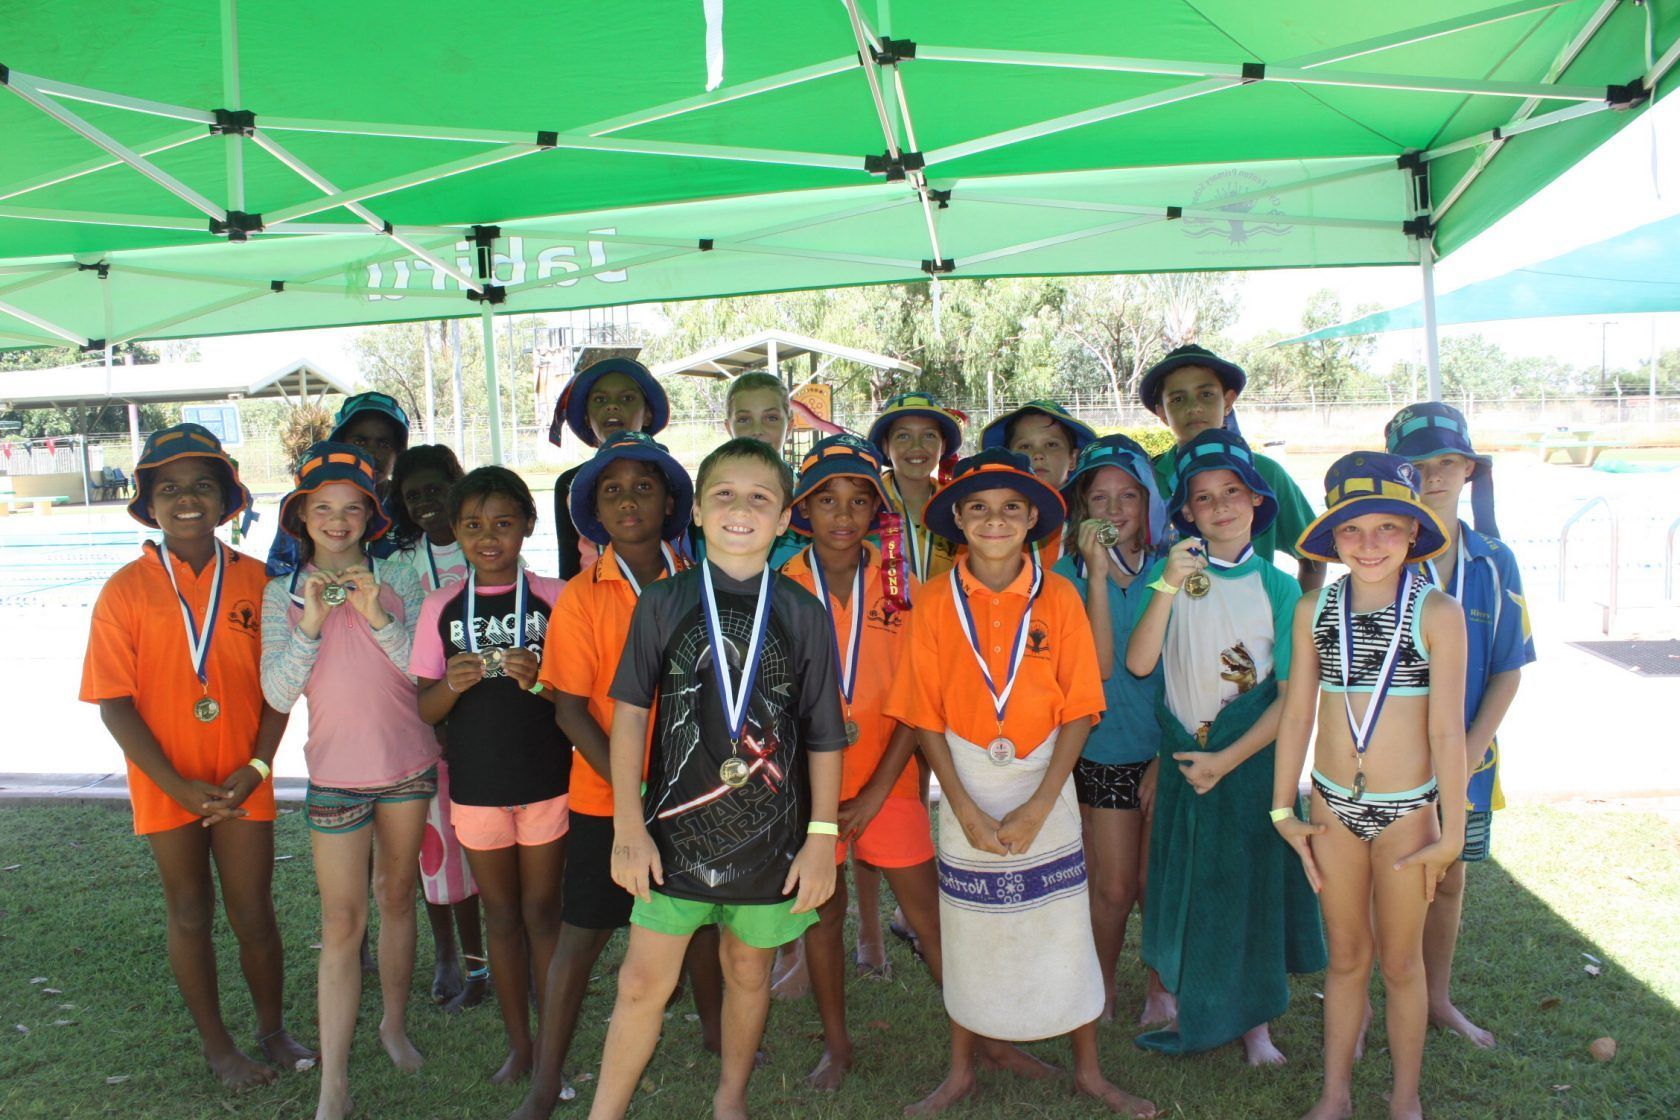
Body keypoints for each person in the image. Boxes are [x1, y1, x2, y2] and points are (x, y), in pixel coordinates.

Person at [886, 448, 1156, 1119]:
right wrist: (964, 806)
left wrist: (1040, 802)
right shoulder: (933, 601)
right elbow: (923, 715)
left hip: (1046, 778)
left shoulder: (1059, 595)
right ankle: (960, 1069)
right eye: (978, 508)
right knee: (968, 928)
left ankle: (1089, 1070)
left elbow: (1081, 707)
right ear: (956, 521)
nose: (995, 520)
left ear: (1034, 518)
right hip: (966, 777)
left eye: (1011, 508)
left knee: (1063, 923)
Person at [588, 437, 846, 1120]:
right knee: (642, 983)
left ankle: (730, 1099)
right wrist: (626, 827)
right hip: (670, 837)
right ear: (697, 511)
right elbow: (630, 720)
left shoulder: (803, 615)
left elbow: (823, 734)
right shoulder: (663, 603)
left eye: (760, 498)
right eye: (724, 495)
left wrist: (822, 837)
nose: (741, 509)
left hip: (771, 839)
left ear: (786, 517)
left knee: (748, 970)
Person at [80, 423, 315, 1090]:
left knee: (254, 913)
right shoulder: (124, 591)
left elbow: (280, 689)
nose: (188, 500)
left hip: (244, 780)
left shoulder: (259, 584)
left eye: (203, 487)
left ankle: (271, 1030)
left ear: (227, 499)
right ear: (147, 503)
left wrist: (259, 768)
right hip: (167, 784)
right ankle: (219, 1047)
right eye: (170, 489)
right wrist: (176, 785)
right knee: (188, 911)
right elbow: (113, 702)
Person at [1273, 452, 1468, 1120]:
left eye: (1388, 527)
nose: (1370, 543)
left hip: (1407, 816)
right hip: (1331, 811)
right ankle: (1335, 1095)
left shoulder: (1438, 613)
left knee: (1402, 964)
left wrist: (1452, 835)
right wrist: (1282, 808)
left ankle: (1404, 1099)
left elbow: (1447, 735)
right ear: (1332, 539)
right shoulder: (1312, 610)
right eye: (1353, 530)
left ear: (1414, 532)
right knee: (1347, 957)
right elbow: (1298, 711)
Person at [512, 431, 699, 1120]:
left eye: (643, 487)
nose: (628, 500)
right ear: (592, 507)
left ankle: (715, 1037)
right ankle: (544, 1082)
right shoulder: (583, 597)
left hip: (695, 795)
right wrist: (634, 794)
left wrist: (679, 787)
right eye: (612, 490)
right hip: (606, 799)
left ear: (670, 501)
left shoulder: (702, 584)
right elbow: (569, 710)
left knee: (700, 926)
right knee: (582, 934)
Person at [1125, 428, 1325, 1064]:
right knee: (1182, 881)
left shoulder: (1282, 588)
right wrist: (1165, 585)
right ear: (1186, 512)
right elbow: (1138, 663)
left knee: (1249, 891)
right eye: (1204, 497)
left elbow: (1292, 698)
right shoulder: (1174, 574)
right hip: (1185, 758)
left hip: (1248, 763)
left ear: (1256, 503)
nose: (1220, 506)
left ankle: (1255, 1023)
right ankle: (1177, 993)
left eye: (1233, 492)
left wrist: (1227, 759)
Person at [261, 442, 438, 1120]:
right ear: (302, 515)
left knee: (397, 898)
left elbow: (421, 672)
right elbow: (277, 695)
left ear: (371, 516)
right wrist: (309, 622)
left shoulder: (399, 579)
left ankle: (392, 1024)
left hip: (406, 766)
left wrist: (377, 616)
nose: (337, 521)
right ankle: (333, 1079)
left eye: (352, 508)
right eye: (323, 507)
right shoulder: (281, 593)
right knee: (341, 922)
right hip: (335, 774)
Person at [780, 435, 942, 1091]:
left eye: (857, 501)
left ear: (876, 509)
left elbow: (920, 700)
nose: (842, 515)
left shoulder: (906, 586)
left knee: (927, 916)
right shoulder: (782, 585)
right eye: (827, 501)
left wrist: (876, 791)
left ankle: (977, 1041)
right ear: (803, 510)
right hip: (808, 791)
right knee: (822, 916)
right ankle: (838, 1044)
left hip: (891, 779)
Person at [412, 467, 570, 1085]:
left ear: (527, 526)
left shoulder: (558, 597)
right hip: (476, 788)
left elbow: (581, 695)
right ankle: (520, 1045)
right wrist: (448, 687)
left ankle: (551, 1039)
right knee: (501, 915)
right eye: (473, 526)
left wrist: (545, 676)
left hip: (548, 782)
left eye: (503, 523)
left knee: (543, 913)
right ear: (455, 532)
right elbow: (424, 708)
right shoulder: (440, 607)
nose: (489, 537)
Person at [1386, 402, 1534, 1049]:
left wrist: (1466, 757)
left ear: (1468, 469)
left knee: (1447, 883)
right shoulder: (1380, 557)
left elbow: (1509, 669)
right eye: (1417, 466)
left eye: (1446, 462)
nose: (1433, 476)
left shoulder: (1495, 561)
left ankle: (1438, 1000)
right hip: (1390, 766)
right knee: (1386, 886)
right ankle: (1374, 1005)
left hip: (1470, 762)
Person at [1050, 435, 1167, 1024]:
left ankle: (1159, 989)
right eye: (1100, 498)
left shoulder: (1177, 572)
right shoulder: (1062, 580)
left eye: (1128, 496)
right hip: (1102, 753)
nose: (1115, 509)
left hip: (1167, 752)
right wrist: (1096, 574)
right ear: (1081, 508)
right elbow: (1091, 673)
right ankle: (1100, 987)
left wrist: (1168, 756)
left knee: (1158, 885)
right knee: (1115, 888)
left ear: (1149, 506)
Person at [389, 445, 487, 1011]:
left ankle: (496, 957)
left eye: (436, 489)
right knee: (439, 850)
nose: (427, 502)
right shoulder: (400, 566)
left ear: (458, 485)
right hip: (423, 726)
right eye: (413, 495)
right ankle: (451, 955)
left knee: (488, 851)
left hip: (484, 728)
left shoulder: (490, 551)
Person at [1138, 345, 1323, 591]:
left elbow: (1313, 555)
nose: (1193, 407)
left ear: (1228, 401)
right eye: (1178, 399)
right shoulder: (1147, 478)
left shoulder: (1266, 473)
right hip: (1170, 624)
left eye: (1206, 394)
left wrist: (1297, 617)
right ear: (1162, 413)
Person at [547, 357, 672, 578]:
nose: (612, 406)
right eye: (600, 399)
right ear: (586, 417)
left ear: (648, 413)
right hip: (594, 604)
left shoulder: (670, 474)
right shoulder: (569, 483)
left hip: (663, 596)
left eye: (627, 398)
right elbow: (568, 565)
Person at [267, 391, 412, 577]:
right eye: (359, 441)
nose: (371, 454)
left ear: (398, 453)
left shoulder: (409, 501)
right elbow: (280, 569)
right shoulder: (301, 501)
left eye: (384, 444)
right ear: (339, 444)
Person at [978, 400, 1097, 565]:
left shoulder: (1093, 518)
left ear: (1073, 458)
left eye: (1051, 444)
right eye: (1025, 446)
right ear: (1008, 460)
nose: (1038, 454)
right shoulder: (990, 522)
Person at [867, 392, 966, 584]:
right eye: (903, 436)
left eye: (929, 435)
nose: (916, 446)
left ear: (943, 446)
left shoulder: (957, 506)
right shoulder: (868, 503)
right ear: (886, 446)